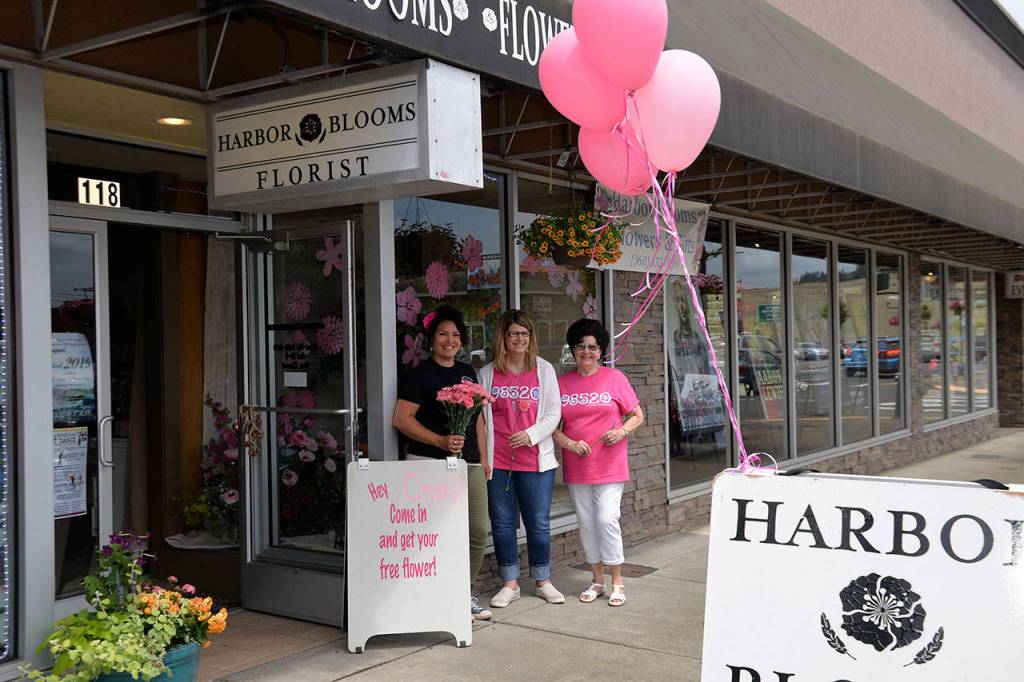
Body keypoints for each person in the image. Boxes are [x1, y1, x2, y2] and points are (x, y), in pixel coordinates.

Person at [392, 305, 493, 621]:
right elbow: (401, 419)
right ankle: (433, 597)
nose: (450, 340)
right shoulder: (421, 375)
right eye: (442, 335)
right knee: (433, 534)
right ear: (431, 339)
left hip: (470, 463)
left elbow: (478, 419)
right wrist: (439, 441)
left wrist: (485, 457)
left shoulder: (467, 372)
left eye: (455, 335)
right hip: (430, 462)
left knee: (478, 530)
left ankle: (463, 593)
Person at [554, 318, 644, 607]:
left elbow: (637, 415)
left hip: (610, 463)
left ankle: (617, 579)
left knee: (606, 518)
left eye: (592, 347)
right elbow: (551, 425)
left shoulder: (615, 379)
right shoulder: (561, 384)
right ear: (573, 349)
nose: (587, 351)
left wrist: (621, 432)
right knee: (587, 523)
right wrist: (568, 443)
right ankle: (597, 581)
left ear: (601, 350)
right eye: (580, 346)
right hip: (577, 464)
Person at [479, 310, 564, 608]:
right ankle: (510, 583)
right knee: (502, 524)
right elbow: (481, 420)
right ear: (503, 337)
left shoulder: (544, 370)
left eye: (525, 333)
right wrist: (483, 457)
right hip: (498, 462)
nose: (519, 338)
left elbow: (555, 413)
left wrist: (531, 434)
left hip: (535, 462)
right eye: (514, 333)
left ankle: (543, 580)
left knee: (538, 523)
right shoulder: (487, 373)